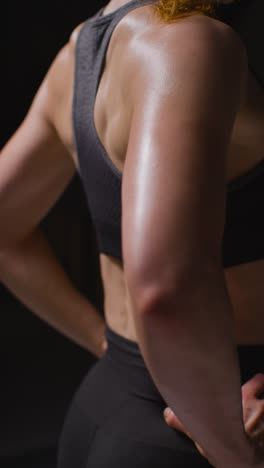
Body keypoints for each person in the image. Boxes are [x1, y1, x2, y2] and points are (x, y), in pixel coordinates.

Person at [1, 0, 264, 466]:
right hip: (202, 430)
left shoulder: (83, 51)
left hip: (110, 403)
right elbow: (164, 290)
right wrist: (236, 455)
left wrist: (104, 342)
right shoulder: (188, 45)